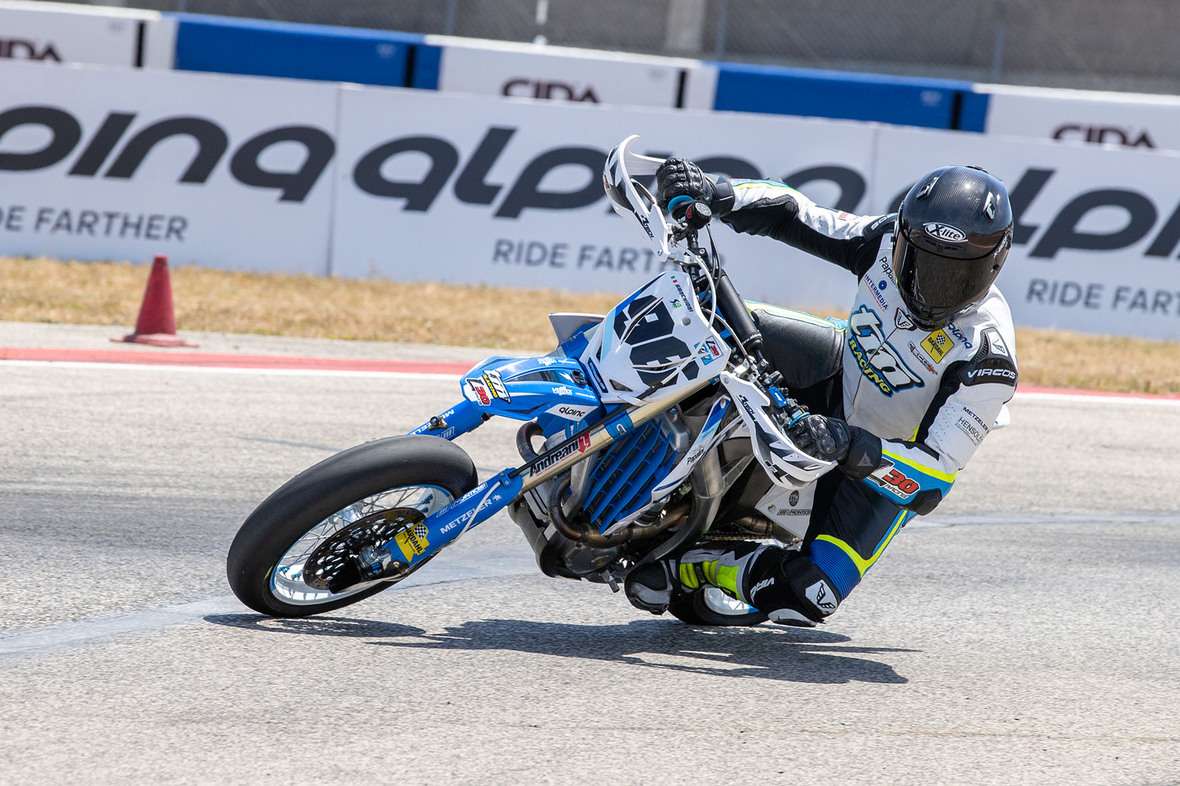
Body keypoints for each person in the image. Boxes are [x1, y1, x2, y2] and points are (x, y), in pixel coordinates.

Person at [625, 160, 1019, 626]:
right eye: (920, 263)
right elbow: (795, 213)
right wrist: (716, 191)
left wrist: (849, 445)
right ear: (902, 237)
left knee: (811, 595)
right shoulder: (881, 240)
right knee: (713, 317)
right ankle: (606, 399)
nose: (930, 288)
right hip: (833, 374)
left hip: (874, 462)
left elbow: (934, 478)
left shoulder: (987, 357)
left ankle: (694, 567)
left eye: (956, 276)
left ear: (994, 264)